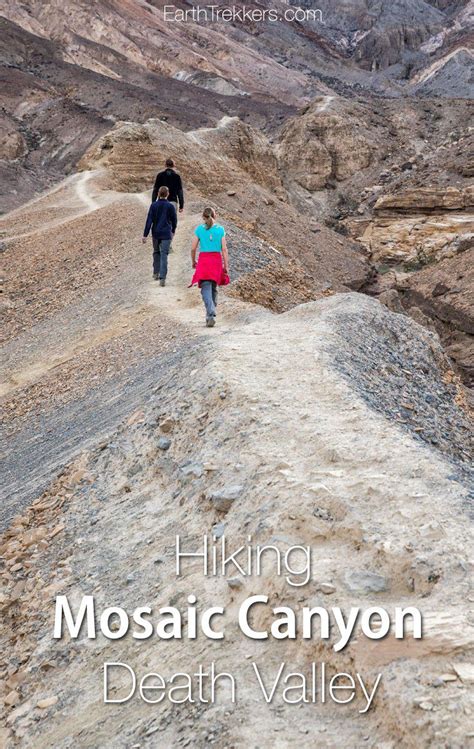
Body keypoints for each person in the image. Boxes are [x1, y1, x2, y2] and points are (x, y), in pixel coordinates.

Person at [190, 207, 229, 327]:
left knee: (205, 287)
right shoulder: (220, 230)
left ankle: (210, 312)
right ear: (214, 216)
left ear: (203, 217)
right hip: (216, 260)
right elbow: (224, 249)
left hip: (204, 260)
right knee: (213, 287)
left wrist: (193, 261)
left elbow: (193, 248)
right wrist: (226, 266)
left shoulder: (199, 230)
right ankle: (210, 314)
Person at [142, 186, 177, 286]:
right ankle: (163, 278)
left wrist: (145, 235)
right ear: (168, 194)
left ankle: (156, 273)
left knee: (156, 252)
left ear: (158, 194)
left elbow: (149, 221)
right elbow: (174, 220)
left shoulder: (153, 205)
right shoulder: (170, 206)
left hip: (156, 234)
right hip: (166, 234)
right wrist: (173, 230)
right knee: (164, 254)